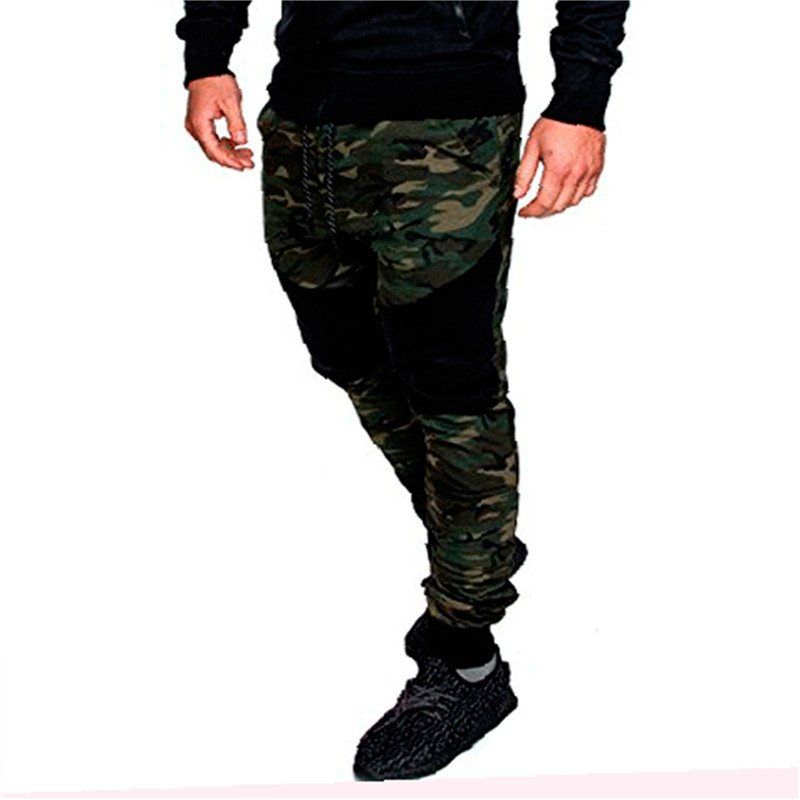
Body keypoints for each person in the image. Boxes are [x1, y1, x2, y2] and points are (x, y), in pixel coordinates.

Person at [175, 0, 629, 781]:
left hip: (447, 124)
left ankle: (467, 656)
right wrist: (208, 56)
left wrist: (581, 101)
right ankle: (477, 541)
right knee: (345, 355)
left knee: (451, 388)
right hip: (304, 123)